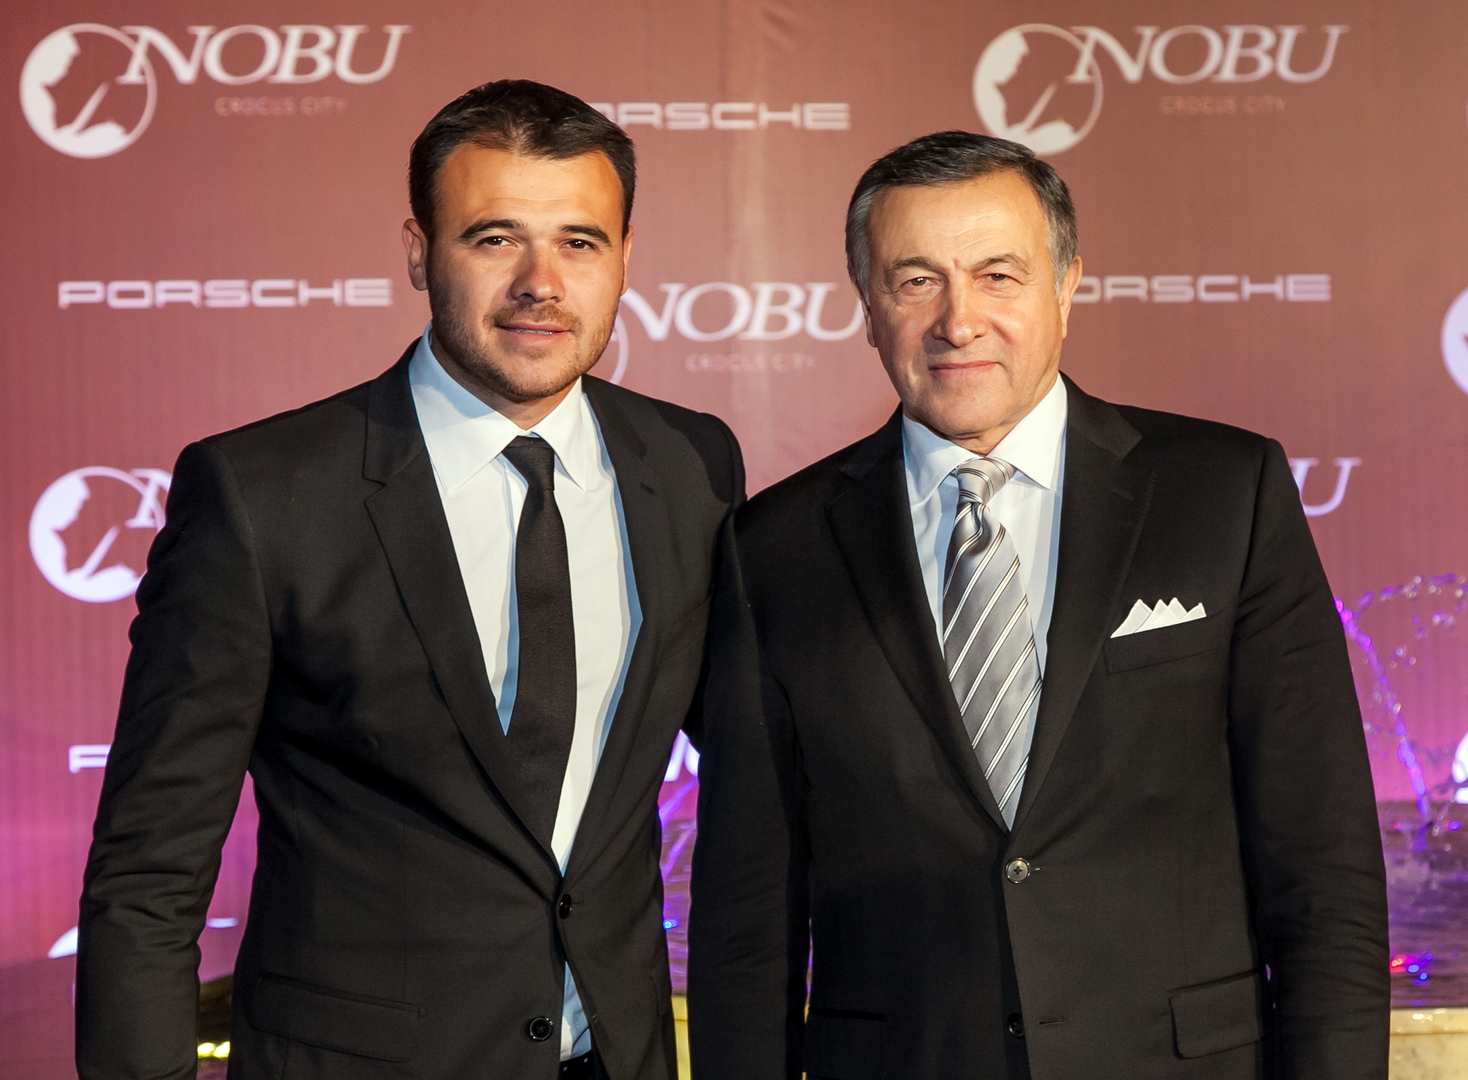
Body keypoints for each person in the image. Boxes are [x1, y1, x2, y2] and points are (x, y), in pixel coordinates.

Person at [76, 79, 743, 1080]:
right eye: (494, 238)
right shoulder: (262, 493)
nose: (540, 282)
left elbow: (753, 752)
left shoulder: (693, 466)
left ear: (624, 257)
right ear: (418, 251)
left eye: (579, 241)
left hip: (616, 1055)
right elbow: (149, 865)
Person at [687, 131, 1387, 1080]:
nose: (959, 321)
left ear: (1065, 287)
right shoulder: (773, 548)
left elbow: (1324, 870)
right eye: (916, 281)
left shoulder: (1225, 494)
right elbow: (746, 923)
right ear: (866, 306)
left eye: (998, 276)